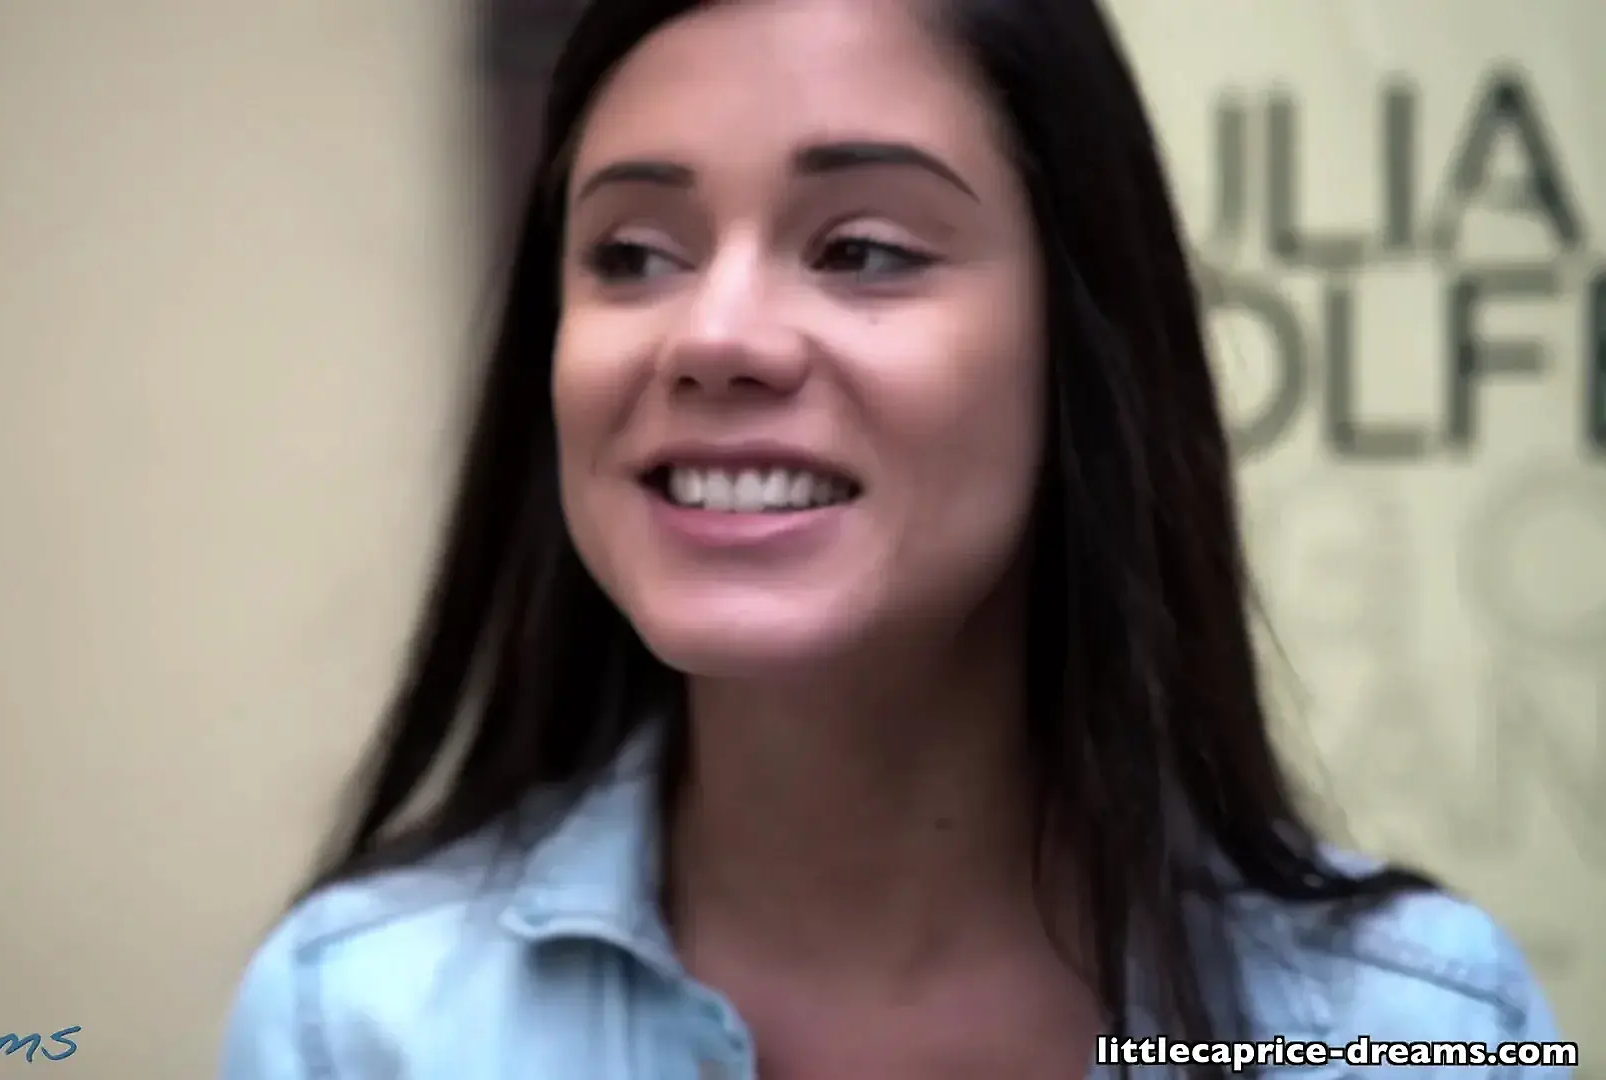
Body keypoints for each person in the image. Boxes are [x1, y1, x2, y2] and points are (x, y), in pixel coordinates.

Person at [222, 1, 1572, 1077]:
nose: (714, 335)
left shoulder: (1415, 1031)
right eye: (632, 254)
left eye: (862, 250)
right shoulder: (359, 1025)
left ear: (1080, 339)